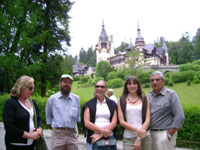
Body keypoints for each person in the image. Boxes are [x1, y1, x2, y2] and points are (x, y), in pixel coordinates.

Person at [3, 75, 42, 150]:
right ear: (21, 88)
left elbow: (39, 119)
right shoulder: (11, 103)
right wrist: (29, 135)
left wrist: (40, 129)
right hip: (16, 144)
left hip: (31, 144)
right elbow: (9, 126)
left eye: (33, 88)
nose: (33, 90)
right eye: (30, 88)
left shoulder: (32, 102)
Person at [148, 71, 185, 150]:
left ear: (163, 81)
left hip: (164, 133)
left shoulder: (171, 94)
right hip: (150, 134)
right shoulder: (149, 96)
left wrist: (169, 134)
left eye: (157, 80)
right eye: (152, 80)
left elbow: (180, 115)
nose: (154, 82)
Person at [45, 74, 80, 150]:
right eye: (65, 82)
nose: (67, 84)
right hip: (58, 134)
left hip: (72, 134)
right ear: (60, 83)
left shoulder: (76, 99)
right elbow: (49, 116)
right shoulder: (52, 99)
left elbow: (77, 118)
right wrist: (57, 127)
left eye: (69, 83)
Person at [118, 76, 152, 150]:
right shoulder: (121, 100)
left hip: (145, 137)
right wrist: (138, 131)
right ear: (126, 86)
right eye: (129, 84)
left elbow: (148, 120)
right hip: (129, 137)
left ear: (138, 85)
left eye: (134, 83)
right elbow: (122, 121)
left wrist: (139, 137)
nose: (132, 86)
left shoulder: (145, 99)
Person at [83, 80, 118, 150]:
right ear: (94, 88)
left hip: (109, 138)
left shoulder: (112, 104)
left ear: (106, 89)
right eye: (97, 86)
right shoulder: (88, 104)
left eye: (102, 87)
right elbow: (87, 123)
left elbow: (114, 122)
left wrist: (100, 135)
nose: (99, 88)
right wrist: (103, 131)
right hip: (93, 137)